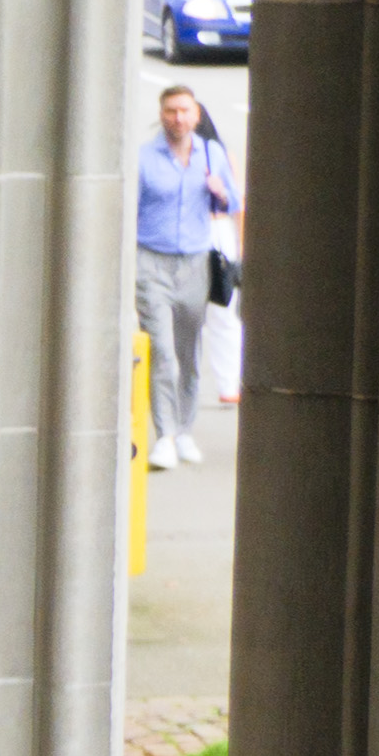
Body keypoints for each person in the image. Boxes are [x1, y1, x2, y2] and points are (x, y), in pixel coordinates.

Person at [136, 81, 238, 467]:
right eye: (170, 111)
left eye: (184, 111)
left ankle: (184, 431)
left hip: (195, 263)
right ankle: (164, 434)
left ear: (196, 116)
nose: (178, 118)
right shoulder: (146, 158)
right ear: (161, 116)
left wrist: (221, 192)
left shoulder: (211, 154)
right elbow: (131, 209)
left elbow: (233, 201)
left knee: (187, 352)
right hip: (152, 261)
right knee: (162, 351)